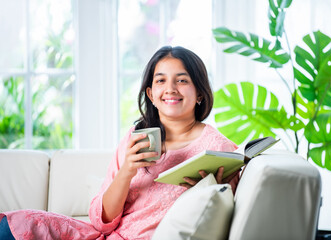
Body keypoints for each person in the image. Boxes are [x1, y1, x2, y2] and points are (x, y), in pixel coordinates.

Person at [0, 46, 239, 240]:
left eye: (182, 80)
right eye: (161, 81)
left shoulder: (218, 148)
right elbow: (102, 223)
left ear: (199, 93)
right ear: (150, 94)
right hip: (105, 236)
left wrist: (208, 190)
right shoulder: (137, 137)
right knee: (17, 224)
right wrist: (127, 170)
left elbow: (222, 213)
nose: (170, 89)